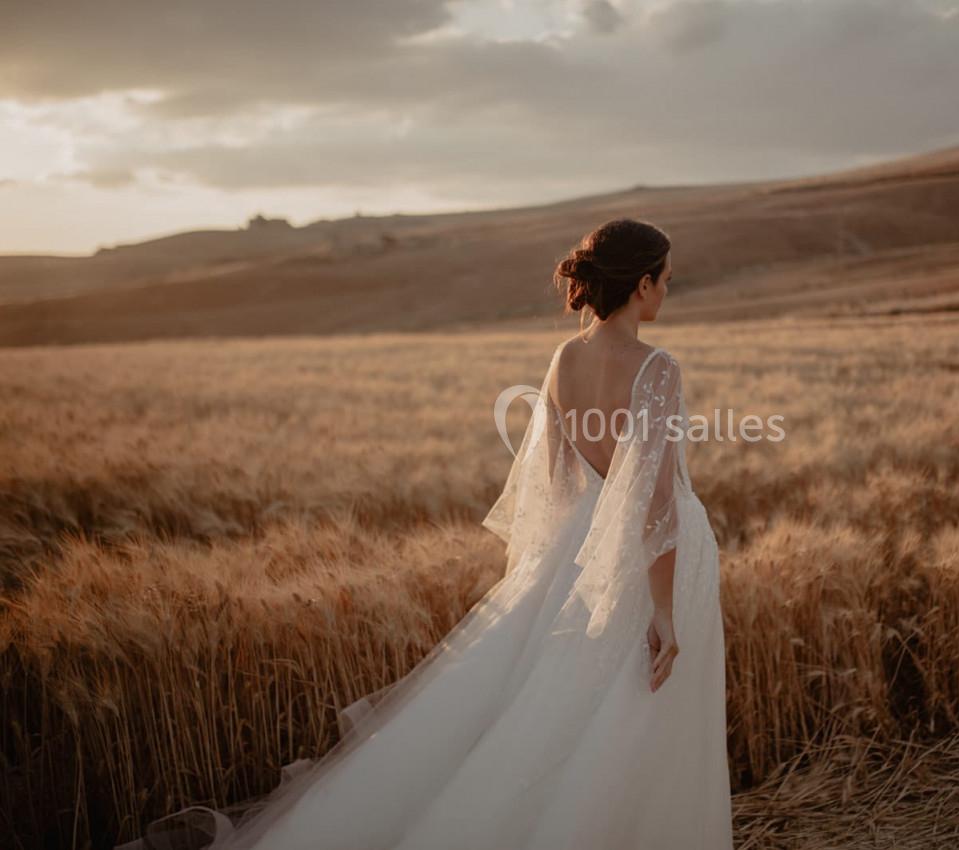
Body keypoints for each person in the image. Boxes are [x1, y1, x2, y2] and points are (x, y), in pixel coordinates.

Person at [121, 218, 734, 850]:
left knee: (560, 712)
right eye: (666, 279)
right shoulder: (657, 367)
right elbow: (655, 500)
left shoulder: (565, 359)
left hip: (577, 554)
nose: (667, 291)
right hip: (638, 566)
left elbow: (554, 486)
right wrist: (663, 612)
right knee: (632, 711)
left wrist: (547, 576)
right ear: (641, 284)